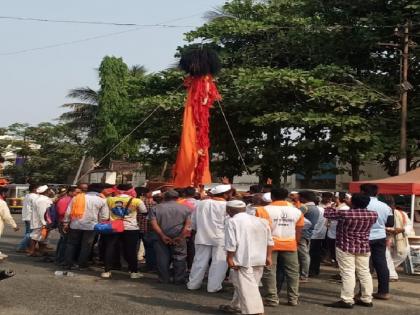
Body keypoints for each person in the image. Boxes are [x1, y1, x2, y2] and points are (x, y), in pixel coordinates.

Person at [219, 200, 274, 315]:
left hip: (242, 259)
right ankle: (236, 306)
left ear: (229, 210)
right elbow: (270, 241)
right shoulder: (261, 221)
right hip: (259, 258)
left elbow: (231, 243)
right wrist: (268, 256)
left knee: (247, 288)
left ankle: (254, 312)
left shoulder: (232, 222)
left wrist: (229, 258)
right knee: (244, 284)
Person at [324, 193, 378, 309]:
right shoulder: (373, 214)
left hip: (345, 246)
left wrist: (331, 204)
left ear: (352, 202)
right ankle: (366, 298)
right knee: (364, 272)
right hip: (363, 246)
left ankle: (347, 299)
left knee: (348, 272)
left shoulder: (345, 214)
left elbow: (327, 213)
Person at [259, 188, 304, 307]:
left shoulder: (263, 210)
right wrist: (296, 243)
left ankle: (272, 298)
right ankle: (293, 298)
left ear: (272, 196)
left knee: (269, 271)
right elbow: (299, 230)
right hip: (290, 243)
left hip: (270, 244)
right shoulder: (297, 211)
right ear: (287, 196)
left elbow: (261, 230)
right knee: (293, 272)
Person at [187, 184, 232, 292]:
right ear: (225, 194)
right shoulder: (228, 205)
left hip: (202, 235)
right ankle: (213, 287)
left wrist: (195, 230)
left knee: (199, 261)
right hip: (221, 237)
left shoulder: (201, 203)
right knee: (219, 262)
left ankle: (193, 284)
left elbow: (193, 221)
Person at [101, 184, 147, 279]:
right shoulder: (137, 201)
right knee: (131, 250)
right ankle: (133, 272)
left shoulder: (109, 199)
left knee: (110, 248)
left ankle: (107, 271)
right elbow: (144, 212)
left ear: (117, 190)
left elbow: (105, 216)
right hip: (131, 228)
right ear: (131, 190)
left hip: (114, 227)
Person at [63, 183, 109, 270]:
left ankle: (68, 264)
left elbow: (68, 212)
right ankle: (82, 265)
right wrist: (99, 224)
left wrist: (65, 223)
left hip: (75, 224)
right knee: (86, 246)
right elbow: (105, 217)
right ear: (100, 191)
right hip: (91, 226)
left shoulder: (76, 197)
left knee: (71, 244)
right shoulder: (102, 200)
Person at [148, 190, 191, 284]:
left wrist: (163, 236)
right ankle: (179, 279)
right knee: (180, 257)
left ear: (165, 197)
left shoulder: (155, 208)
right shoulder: (186, 209)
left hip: (160, 236)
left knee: (162, 257)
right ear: (178, 198)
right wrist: (181, 236)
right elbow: (187, 225)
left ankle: (163, 279)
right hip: (178, 235)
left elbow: (153, 224)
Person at [360, 183, 393, 300]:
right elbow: (390, 223)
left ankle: (363, 293)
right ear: (376, 193)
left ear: (363, 192)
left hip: (364, 236)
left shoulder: (361, 204)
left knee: (364, 265)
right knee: (381, 264)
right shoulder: (385, 206)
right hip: (380, 237)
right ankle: (384, 292)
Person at [298, 190, 320, 282]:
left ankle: (303, 275)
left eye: (300, 197)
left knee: (303, 255)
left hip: (302, 233)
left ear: (304, 198)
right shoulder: (315, 208)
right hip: (308, 233)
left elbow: (296, 217)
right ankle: (303, 274)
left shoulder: (305, 207)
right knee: (305, 254)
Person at [55, 186, 80, 265]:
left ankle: (59, 258)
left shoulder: (68, 199)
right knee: (65, 242)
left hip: (64, 222)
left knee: (63, 241)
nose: (78, 194)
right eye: (77, 192)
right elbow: (61, 212)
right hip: (64, 222)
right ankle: (61, 259)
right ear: (70, 192)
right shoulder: (66, 200)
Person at [326, 192, 350, 265]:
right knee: (333, 250)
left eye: (336, 197)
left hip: (338, 233)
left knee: (338, 253)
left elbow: (328, 215)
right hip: (332, 232)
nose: (334, 199)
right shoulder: (336, 206)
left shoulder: (344, 208)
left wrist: (331, 209)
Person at [28, 185, 52, 257]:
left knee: (42, 237)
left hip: (40, 221)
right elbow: (42, 212)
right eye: (49, 190)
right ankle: (32, 251)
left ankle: (41, 251)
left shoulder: (41, 198)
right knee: (35, 236)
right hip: (41, 222)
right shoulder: (43, 200)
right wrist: (44, 223)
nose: (51, 192)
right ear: (46, 191)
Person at [16, 184, 38, 252]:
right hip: (31, 217)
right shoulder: (34, 196)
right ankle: (21, 247)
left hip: (26, 216)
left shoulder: (27, 195)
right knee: (30, 234)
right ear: (34, 189)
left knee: (27, 233)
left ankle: (27, 247)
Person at [309, 198, 328, 277]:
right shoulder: (324, 210)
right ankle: (315, 270)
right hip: (321, 234)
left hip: (312, 234)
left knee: (310, 253)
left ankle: (310, 270)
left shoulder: (311, 210)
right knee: (317, 253)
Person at [0, 187, 19, 259]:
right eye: (6, 193)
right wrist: (14, 226)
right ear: (3, 193)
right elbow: (7, 216)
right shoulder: (2, 203)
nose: (7, 194)